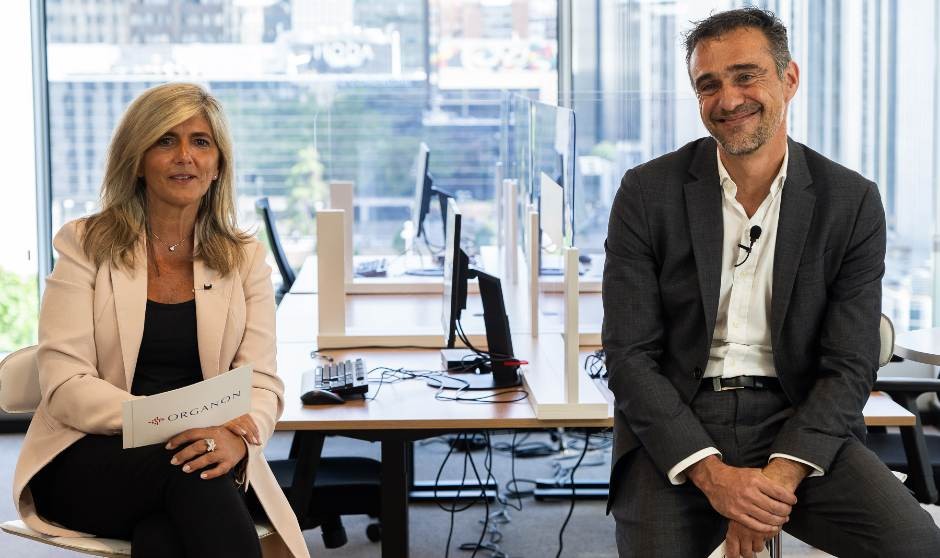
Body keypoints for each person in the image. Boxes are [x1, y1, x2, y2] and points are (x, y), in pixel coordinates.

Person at [602, 8, 940, 558]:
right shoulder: (646, 192)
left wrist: (772, 487)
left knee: (917, 545)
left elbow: (850, 363)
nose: (728, 99)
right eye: (708, 85)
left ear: (789, 79)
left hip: (797, 415)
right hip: (679, 419)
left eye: (746, 76)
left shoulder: (851, 201)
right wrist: (715, 478)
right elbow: (629, 356)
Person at [12, 83, 309, 558]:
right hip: (89, 456)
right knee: (193, 471)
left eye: (200, 142)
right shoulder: (85, 244)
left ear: (218, 165)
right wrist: (168, 424)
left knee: (166, 534)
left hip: (201, 454)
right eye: (166, 140)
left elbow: (261, 382)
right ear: (136, 160)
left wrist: (238, 438)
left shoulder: (244, 258)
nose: (185, 156)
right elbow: (65, 385)